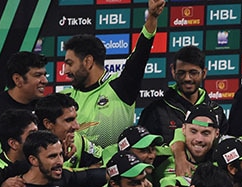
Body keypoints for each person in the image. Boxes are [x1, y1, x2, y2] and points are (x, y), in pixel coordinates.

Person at [61, 0, 166, 147]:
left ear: (88, 61)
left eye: (70, 64)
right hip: (74, 170)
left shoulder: (120, 87)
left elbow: (140, 56)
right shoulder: (65, 99)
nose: (65, 71)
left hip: (118, 168)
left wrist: (152, 18)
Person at [138, 46, 228, 141]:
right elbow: (145, 151)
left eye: (193, 73)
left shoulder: (217, 111)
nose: (187, 78)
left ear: (204, 73)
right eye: (181, 73)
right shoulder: (155, 111)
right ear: (173, 71)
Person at [0, 51, 47, 146]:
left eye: (44, 75)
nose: (45, 80)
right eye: (38, 75)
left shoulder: (44, 107)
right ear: (17, 79)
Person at [157, 105, 220, 187]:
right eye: (193, 131)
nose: (198, 139)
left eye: (206, 133)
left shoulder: (222, 164)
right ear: (183, 129)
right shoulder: (160, 157)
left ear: (216, 134)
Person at [35, 93, 103, 170]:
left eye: (75, 119)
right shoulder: (29, 148)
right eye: (69, 120)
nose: (77, 126)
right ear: (48, 124)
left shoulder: (77, 140)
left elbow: (104, 160)